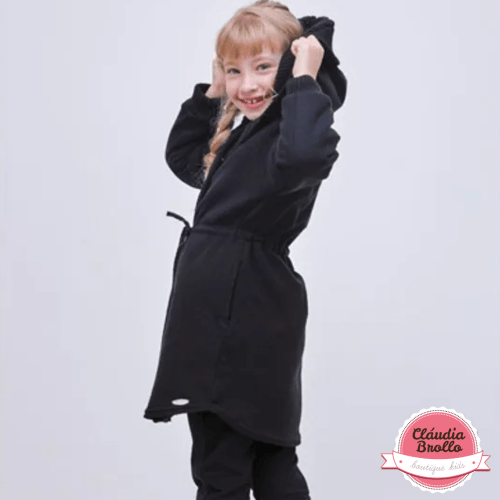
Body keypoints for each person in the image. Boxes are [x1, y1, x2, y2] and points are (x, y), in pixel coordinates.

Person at [143, 1, 347, 498]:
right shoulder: (254, 136)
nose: (247, 85)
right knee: (268, 462)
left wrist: (305, 77)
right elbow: (185, 158)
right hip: (241, 308)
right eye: (235, 70)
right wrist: (215, 92)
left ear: (293, 66)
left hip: (236, 316)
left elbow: (303, 156)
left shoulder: (292, 133)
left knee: (223, 466)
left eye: (263, 67)